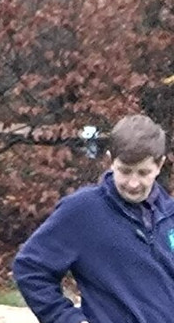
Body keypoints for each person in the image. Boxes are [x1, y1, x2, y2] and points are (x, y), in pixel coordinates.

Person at [12, 114, 174, 323]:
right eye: (125, 171)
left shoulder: (169, 214)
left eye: (143, 173)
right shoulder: (83, 211)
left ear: (160, 165)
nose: (133, 183)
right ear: (109, 161)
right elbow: (30, 268)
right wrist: (67, 318)